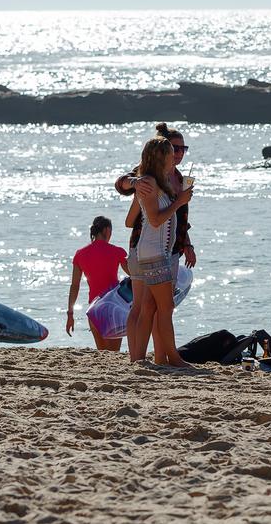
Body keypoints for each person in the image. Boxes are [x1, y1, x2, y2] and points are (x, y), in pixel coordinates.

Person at [117, 123, 196, 361]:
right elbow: (150, 216)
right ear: (163, 154)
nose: (179, 154)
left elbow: (178, 220)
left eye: (183, 149)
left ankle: (149, 359)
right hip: (152, 249)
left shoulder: (174, 178)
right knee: (155, 307)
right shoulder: (149, 179)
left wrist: (187, 244)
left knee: (150, 307)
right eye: (175, 149)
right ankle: (168, 357)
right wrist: (133, 183)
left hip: (160, 249)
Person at [66, 216, 129, 351]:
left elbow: (75, 286)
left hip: (94, 311)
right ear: (107, 230)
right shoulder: (117, 251)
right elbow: (134, 274)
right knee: (113, 354)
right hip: (114, 308)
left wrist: (70, 314)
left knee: (103, 354)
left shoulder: (80, 254)